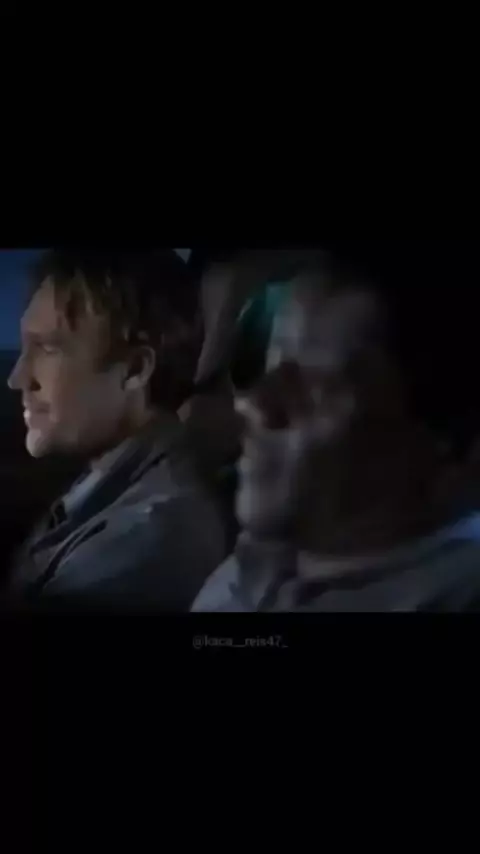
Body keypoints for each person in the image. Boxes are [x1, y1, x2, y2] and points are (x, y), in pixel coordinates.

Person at [192, 242, 480, 611]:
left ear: (456, 451)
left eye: (316, 387)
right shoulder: (255, 565)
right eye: (273, 362)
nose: (252, 403)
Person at [4, 249, 227, 612]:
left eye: (47, 348)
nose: (18, 378)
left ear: (135, 369)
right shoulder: (109, 477)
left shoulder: (148, 538)